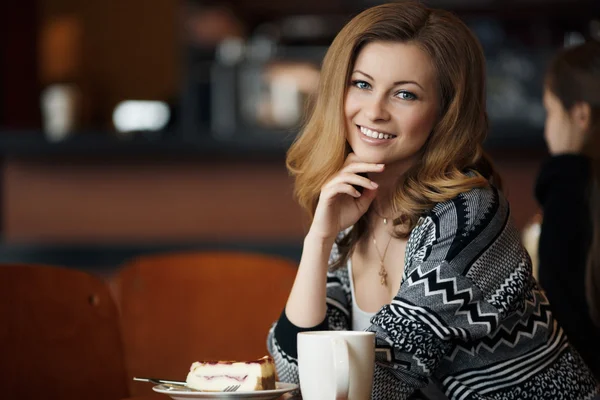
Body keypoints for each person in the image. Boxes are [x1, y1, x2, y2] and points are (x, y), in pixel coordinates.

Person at [266, 2, 600, 399]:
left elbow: (378, 384)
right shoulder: (353, 213)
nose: (374, 111)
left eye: (405, 95)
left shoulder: (468, 215)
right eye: (362, 84)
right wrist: (319, 240)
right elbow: (294, 373)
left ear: (445, 113)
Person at [536, 39, 600, 379]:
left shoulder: (568, 196)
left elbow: (567, 333)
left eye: (550, 111)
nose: (547, 129)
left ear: (580, 115)